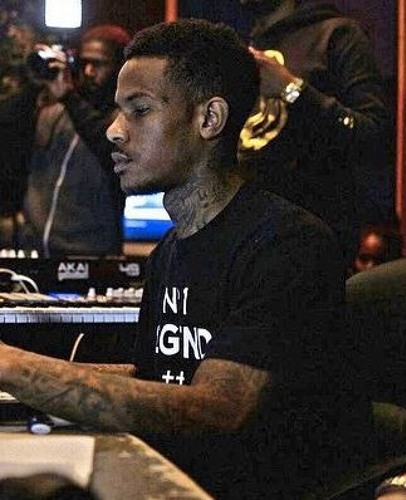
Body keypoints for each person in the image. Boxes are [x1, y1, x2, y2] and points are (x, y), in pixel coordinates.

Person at [0, 19, 371, 499]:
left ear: (209, 118)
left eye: (139, 110)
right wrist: (18, 375)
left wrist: (10, 366)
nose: (114, 131)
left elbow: (217, 410)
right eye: (118, 111)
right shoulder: (171, 249)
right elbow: (155, 379)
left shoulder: (287, 244)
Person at [238, 0, 395, 271]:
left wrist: (291, 89)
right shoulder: (247, 46)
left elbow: (374, 133)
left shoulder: (338, 35)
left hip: (311, 244)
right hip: (247, 238)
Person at [0, 24, 131, 256]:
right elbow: (7, 129)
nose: (88, 71)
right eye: (84, 62)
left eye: (98, 64)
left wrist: (69, 97)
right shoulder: (57, 110)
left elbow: (107, 147)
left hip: (91, 255)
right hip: (34, 250)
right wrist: (34, 84)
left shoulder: (126, 120)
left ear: (121, 67)